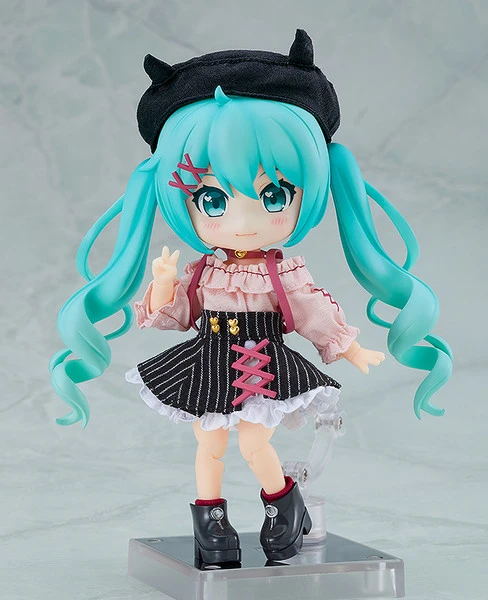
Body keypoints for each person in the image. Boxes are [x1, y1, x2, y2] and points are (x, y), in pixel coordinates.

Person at [49, 30, 452, 566]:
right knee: (209, 445)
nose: (242, 222)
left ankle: (283, 504)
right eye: (213, 200)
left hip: (264, 363)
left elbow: (309, 310)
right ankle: (210, 523)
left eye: (273, 196)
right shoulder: (203, 272)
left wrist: (347, 347)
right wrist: (165, 284)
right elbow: (177, 315)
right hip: (207, 361)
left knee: (254, 443)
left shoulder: (281, 273)